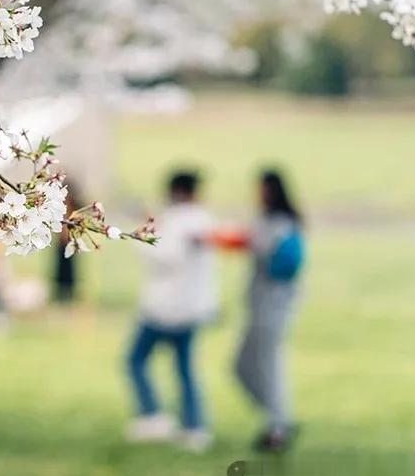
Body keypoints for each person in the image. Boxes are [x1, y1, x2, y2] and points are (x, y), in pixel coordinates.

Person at [214, 169, 306, 452]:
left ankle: (278, 425)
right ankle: (279, 419)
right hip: (263, 307)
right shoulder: (278, 223)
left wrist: (214, 237)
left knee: (267, 367)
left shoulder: (277, 224)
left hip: (273, 308)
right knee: (243, 367)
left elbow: (248, 242)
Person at [127, 170, 217, 452]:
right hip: (192, 309)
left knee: (135, 360)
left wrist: (146, 229)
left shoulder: (177, 221)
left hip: (164, 309)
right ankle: (195, 426)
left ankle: (153, 415)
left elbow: (163, 256)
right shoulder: (203, 220)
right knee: (185, 369)